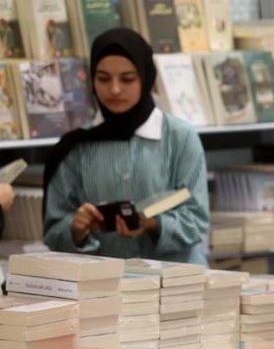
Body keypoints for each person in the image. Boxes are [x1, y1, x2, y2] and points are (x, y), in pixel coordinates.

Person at [43, 28, 209, 264]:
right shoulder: (75, 146)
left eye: (127, 79)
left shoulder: (180, 138)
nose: (115, 89)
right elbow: (53, 232)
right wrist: (75, 229)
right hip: (104, 286)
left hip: (175, 285)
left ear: (146, 77)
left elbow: (197, 220)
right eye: (103, 78)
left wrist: (153, 224)